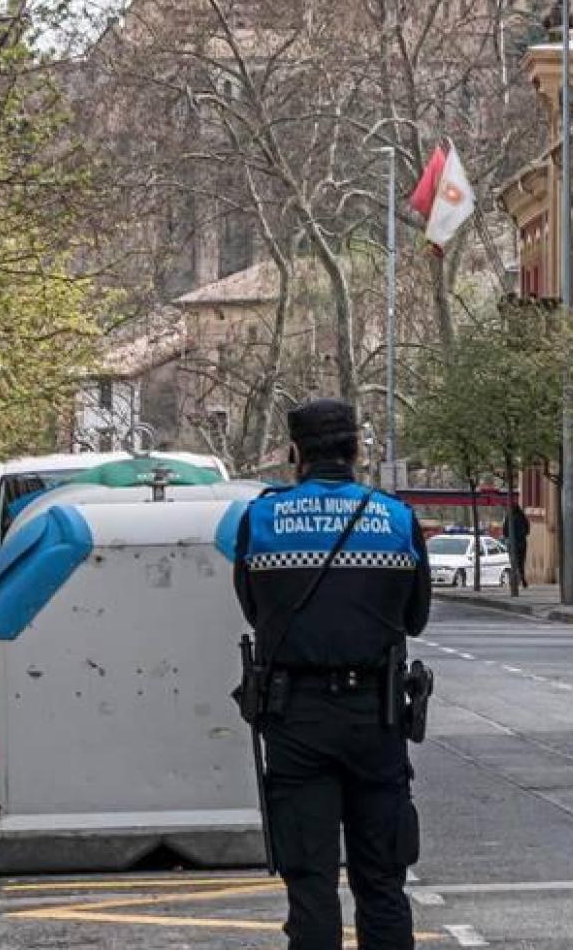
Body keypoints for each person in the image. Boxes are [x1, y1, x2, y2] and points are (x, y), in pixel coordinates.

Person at [229, 399, 431, 950]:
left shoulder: (262, 519)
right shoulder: (396, 519)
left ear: (295, 454)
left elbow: (254, 609)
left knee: (311, 889)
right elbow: (415, 617)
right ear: (357, 451)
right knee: (383, 884)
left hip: (295, 722)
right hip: (376, 720)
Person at [505, 502, 530, 593]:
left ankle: (514, 581)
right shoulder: (522, 517)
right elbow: (528, 530)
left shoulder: (509, 518)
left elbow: (505, 532)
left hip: (513, 544)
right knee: (521, 562)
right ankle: (522, 579)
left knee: (513, 563)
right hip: (522, 543)